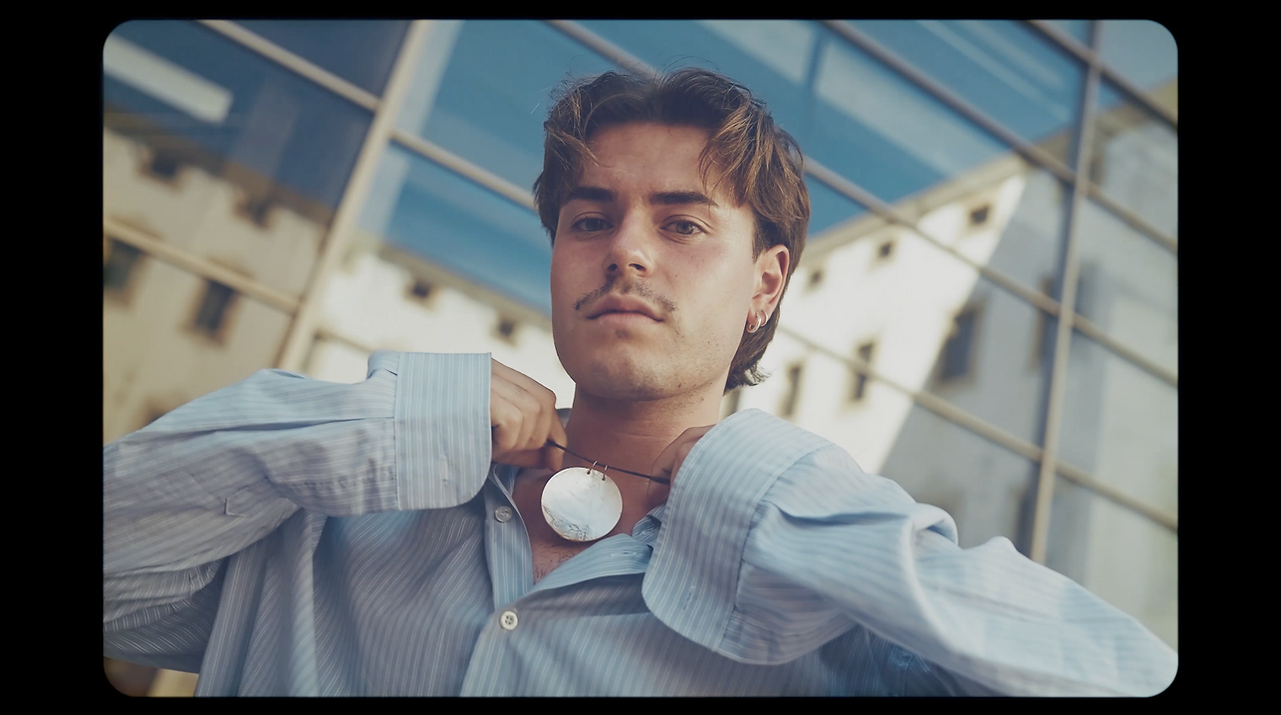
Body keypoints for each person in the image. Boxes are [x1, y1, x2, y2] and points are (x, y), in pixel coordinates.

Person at [104, 68, 1178, 696]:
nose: (625, 249)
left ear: (766, 285)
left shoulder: (836, 627)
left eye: (682, 224)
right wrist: (391, 422)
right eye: (590, 218)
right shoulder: (318, 532)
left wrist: (775, 492)